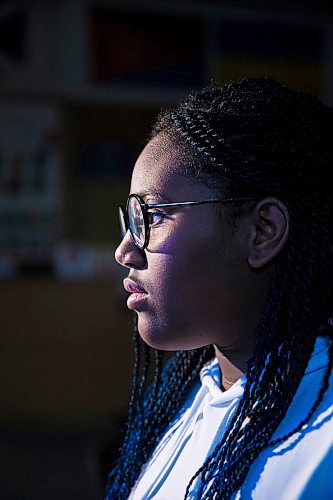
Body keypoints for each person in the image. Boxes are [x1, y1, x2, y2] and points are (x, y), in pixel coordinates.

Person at [106, 77, 333, 499]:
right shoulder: (186, 399)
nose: (125, 250)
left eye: (150, 217)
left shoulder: (324, 443)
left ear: (262, 231)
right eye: (129, 219)